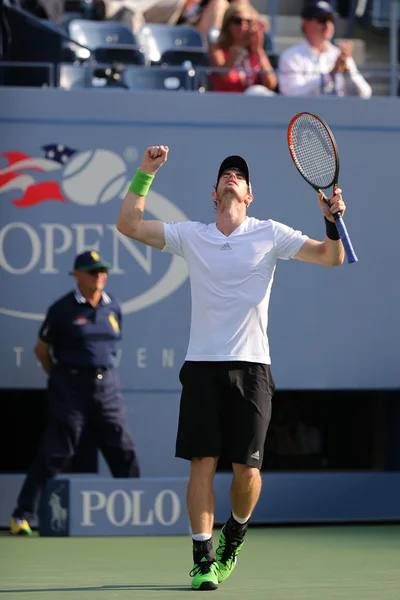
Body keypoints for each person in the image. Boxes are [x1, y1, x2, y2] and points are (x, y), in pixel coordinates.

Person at [116, 145, 347, 590]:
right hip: (201, 367)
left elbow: (330, 256)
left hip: (253, 368)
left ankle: (234, 536)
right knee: (202, 463)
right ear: (214, 194)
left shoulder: (270, 233)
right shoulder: (192, 235)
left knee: (248, 473)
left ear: (250, 195)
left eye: (239, 175)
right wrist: (145, 172)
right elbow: (128, 225)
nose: (231, 177)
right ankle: (203, 556)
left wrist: (331, 220)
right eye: (226, 174)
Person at [9, 250, 140, 536]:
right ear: (77, 275)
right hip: (69, 388)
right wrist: (62, 379)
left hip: (107, 387)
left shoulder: (112, 306)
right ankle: (22, 515)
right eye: (93, 271)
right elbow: (42, 350)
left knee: (123, 450)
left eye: (103, 271)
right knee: (57, 451)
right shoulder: (62, 310)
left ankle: (136, 514)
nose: (99, 276)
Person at [278, 1, 372, 98]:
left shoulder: (340, 55)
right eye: (322, 20)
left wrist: (347, 72)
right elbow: (292, 94)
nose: (328, 25)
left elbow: (365, 94)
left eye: (331, 20)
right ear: (305, 23)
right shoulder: (290, 57)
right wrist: (330, 75)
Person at [209, 1, 277, 94]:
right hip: (224, 101)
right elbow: (223, 74)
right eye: (237, 21)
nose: (243, 26)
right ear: (228, 24)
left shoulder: (254, 51)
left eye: (248, 22)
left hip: (250, 103)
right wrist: (241, 44)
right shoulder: (217, 48)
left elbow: (271, 84)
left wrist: (258, 50)